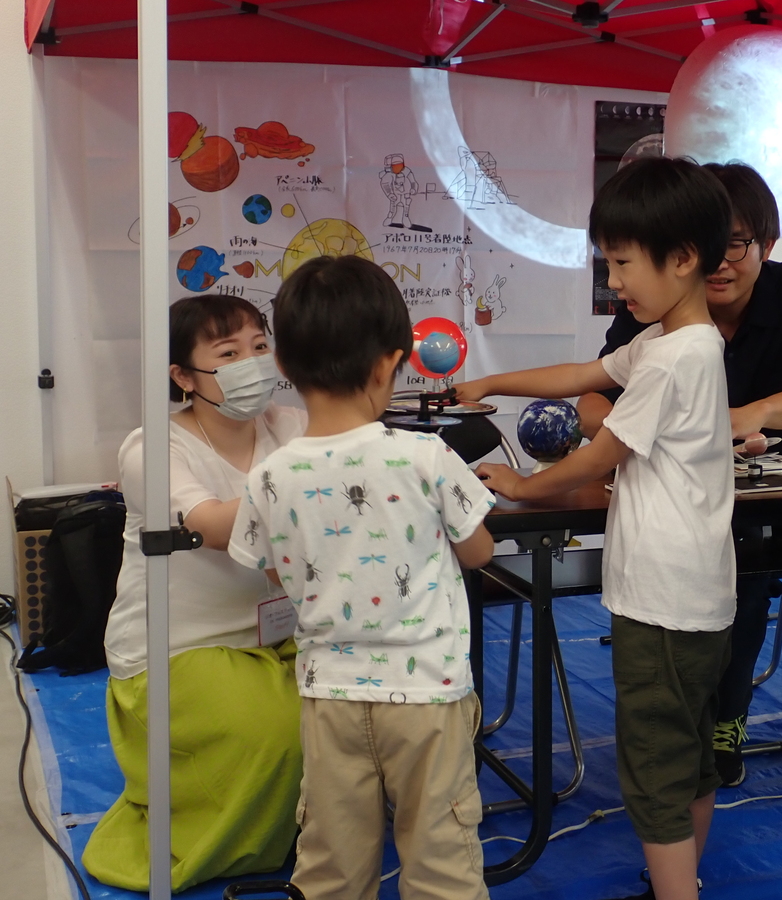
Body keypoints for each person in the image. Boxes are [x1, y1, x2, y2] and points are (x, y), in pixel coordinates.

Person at [454, 156, 736, 900]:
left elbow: (603, 453)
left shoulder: (673, 360)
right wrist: (491, 381)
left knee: (653, 767)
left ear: (683, 258)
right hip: (698, 596)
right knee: (690, 756)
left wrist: (521, 484)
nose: (614, 281)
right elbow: (585, 374)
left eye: (623, 262)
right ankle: (682, 882)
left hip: (662, 600)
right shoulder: (679, 341)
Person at [227, 255, 496, 900]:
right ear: (388, 365)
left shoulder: (269, 475)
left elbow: (271, 567)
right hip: (428, 693)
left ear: (283, 365)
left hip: (329, 696)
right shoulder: (425, 454)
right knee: (441, 858)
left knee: (332, 863)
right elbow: (480, 552)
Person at [577, 162, 782, 786]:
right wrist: (634, 435)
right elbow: (593, 397)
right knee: (734, 570)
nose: (720, 262)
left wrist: (747, 416)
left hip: (780, 485)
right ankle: (714, 722)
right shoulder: (658, 303)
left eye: (737, 244)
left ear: (768, 245)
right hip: (691, 505)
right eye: (707, 244)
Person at [84, 295, 306, 892]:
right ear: (183, 376)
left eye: (259, 347)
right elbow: (211, 525)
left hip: (281, 634)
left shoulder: (290, 426)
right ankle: (229, 846)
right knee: (278, 734)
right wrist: (316, 482)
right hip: (178, 648)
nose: (252, 363)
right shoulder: (152, 447)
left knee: (356, 714)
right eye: (228, 354)